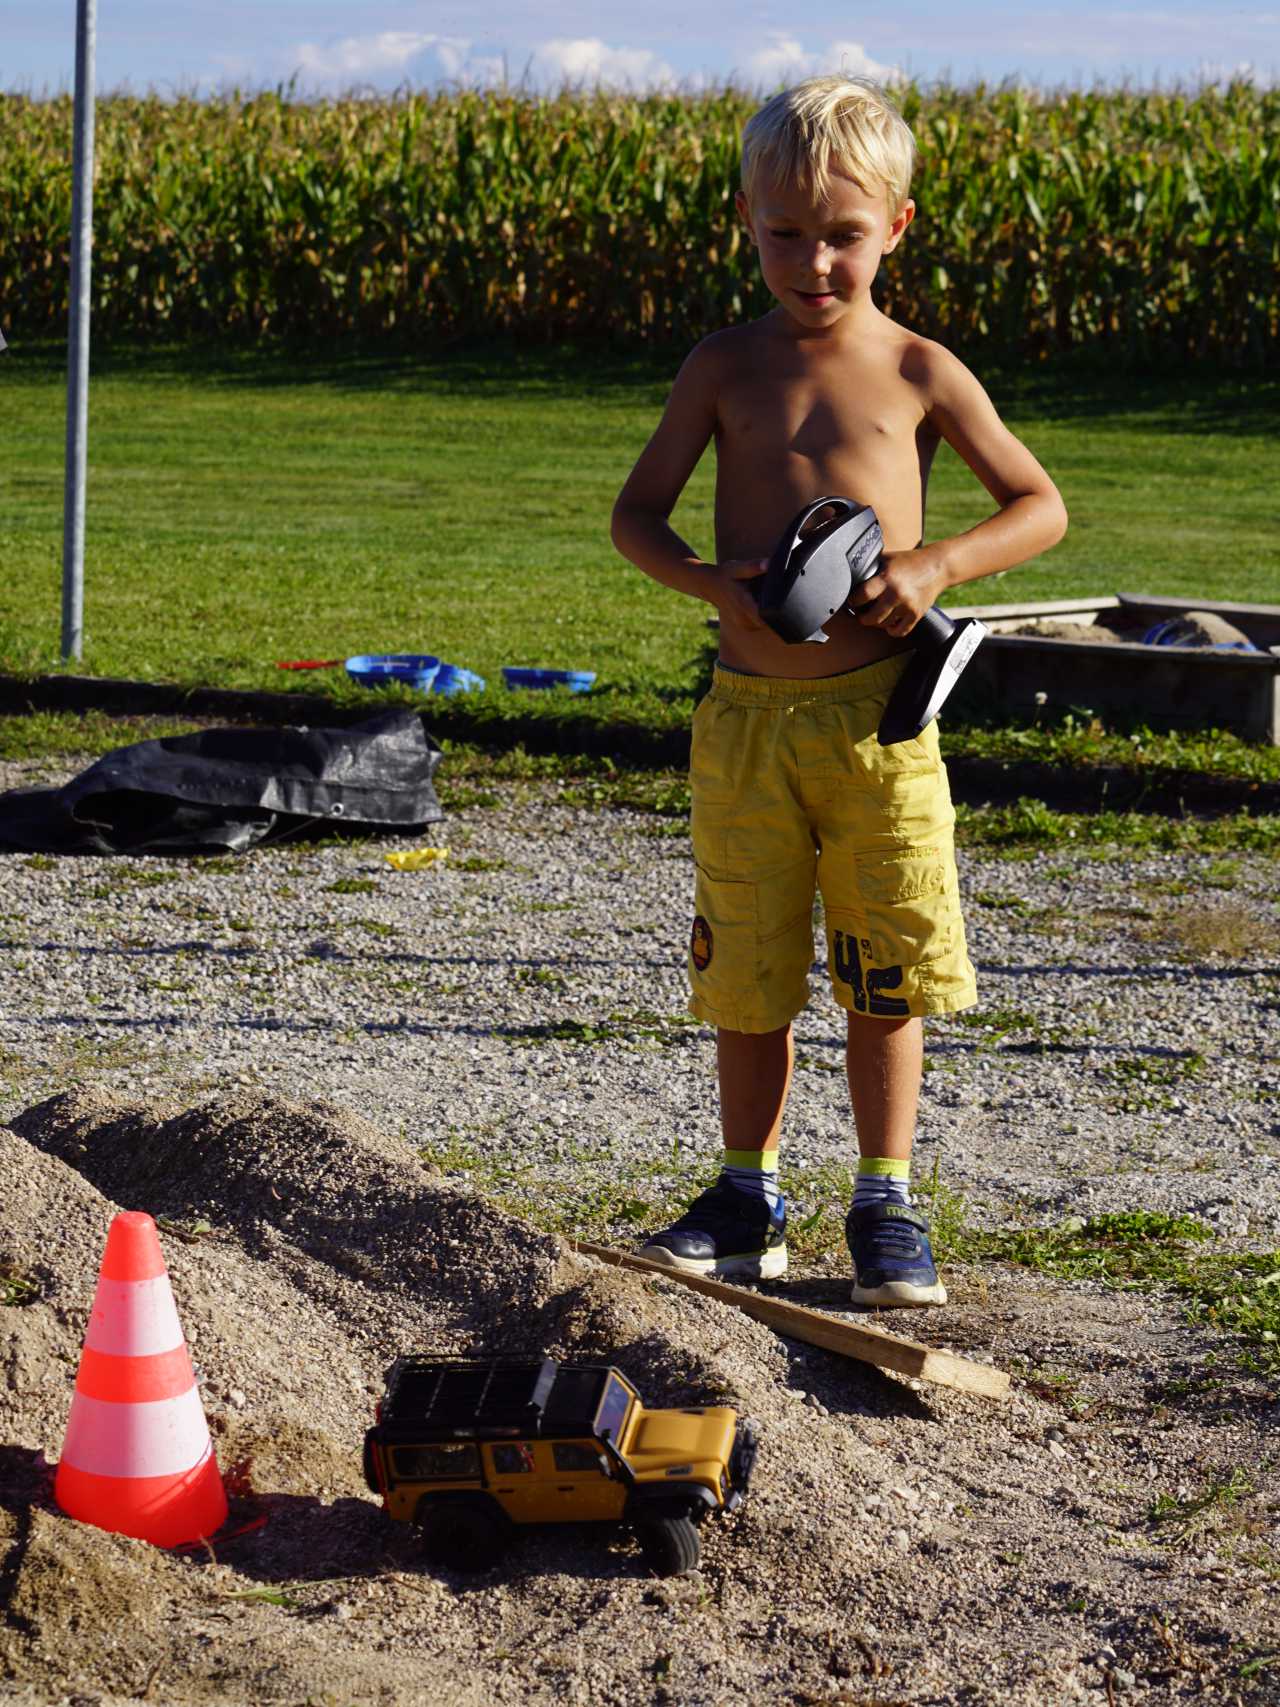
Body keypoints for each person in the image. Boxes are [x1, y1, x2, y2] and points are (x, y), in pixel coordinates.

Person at [610, 74, 1067, 1307]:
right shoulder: (720, 366)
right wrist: (712, 584)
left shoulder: (919, 368)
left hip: (878, 728)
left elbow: (1040, 505)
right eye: (784, 234)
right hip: (746, 727)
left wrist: (930, 565)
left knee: (887, 970)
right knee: (749, 974)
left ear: (897, 227)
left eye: (842, 235)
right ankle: (746, 1194)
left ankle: (883, 1201)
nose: (813, 262)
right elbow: (634, 515)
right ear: (746, 222)